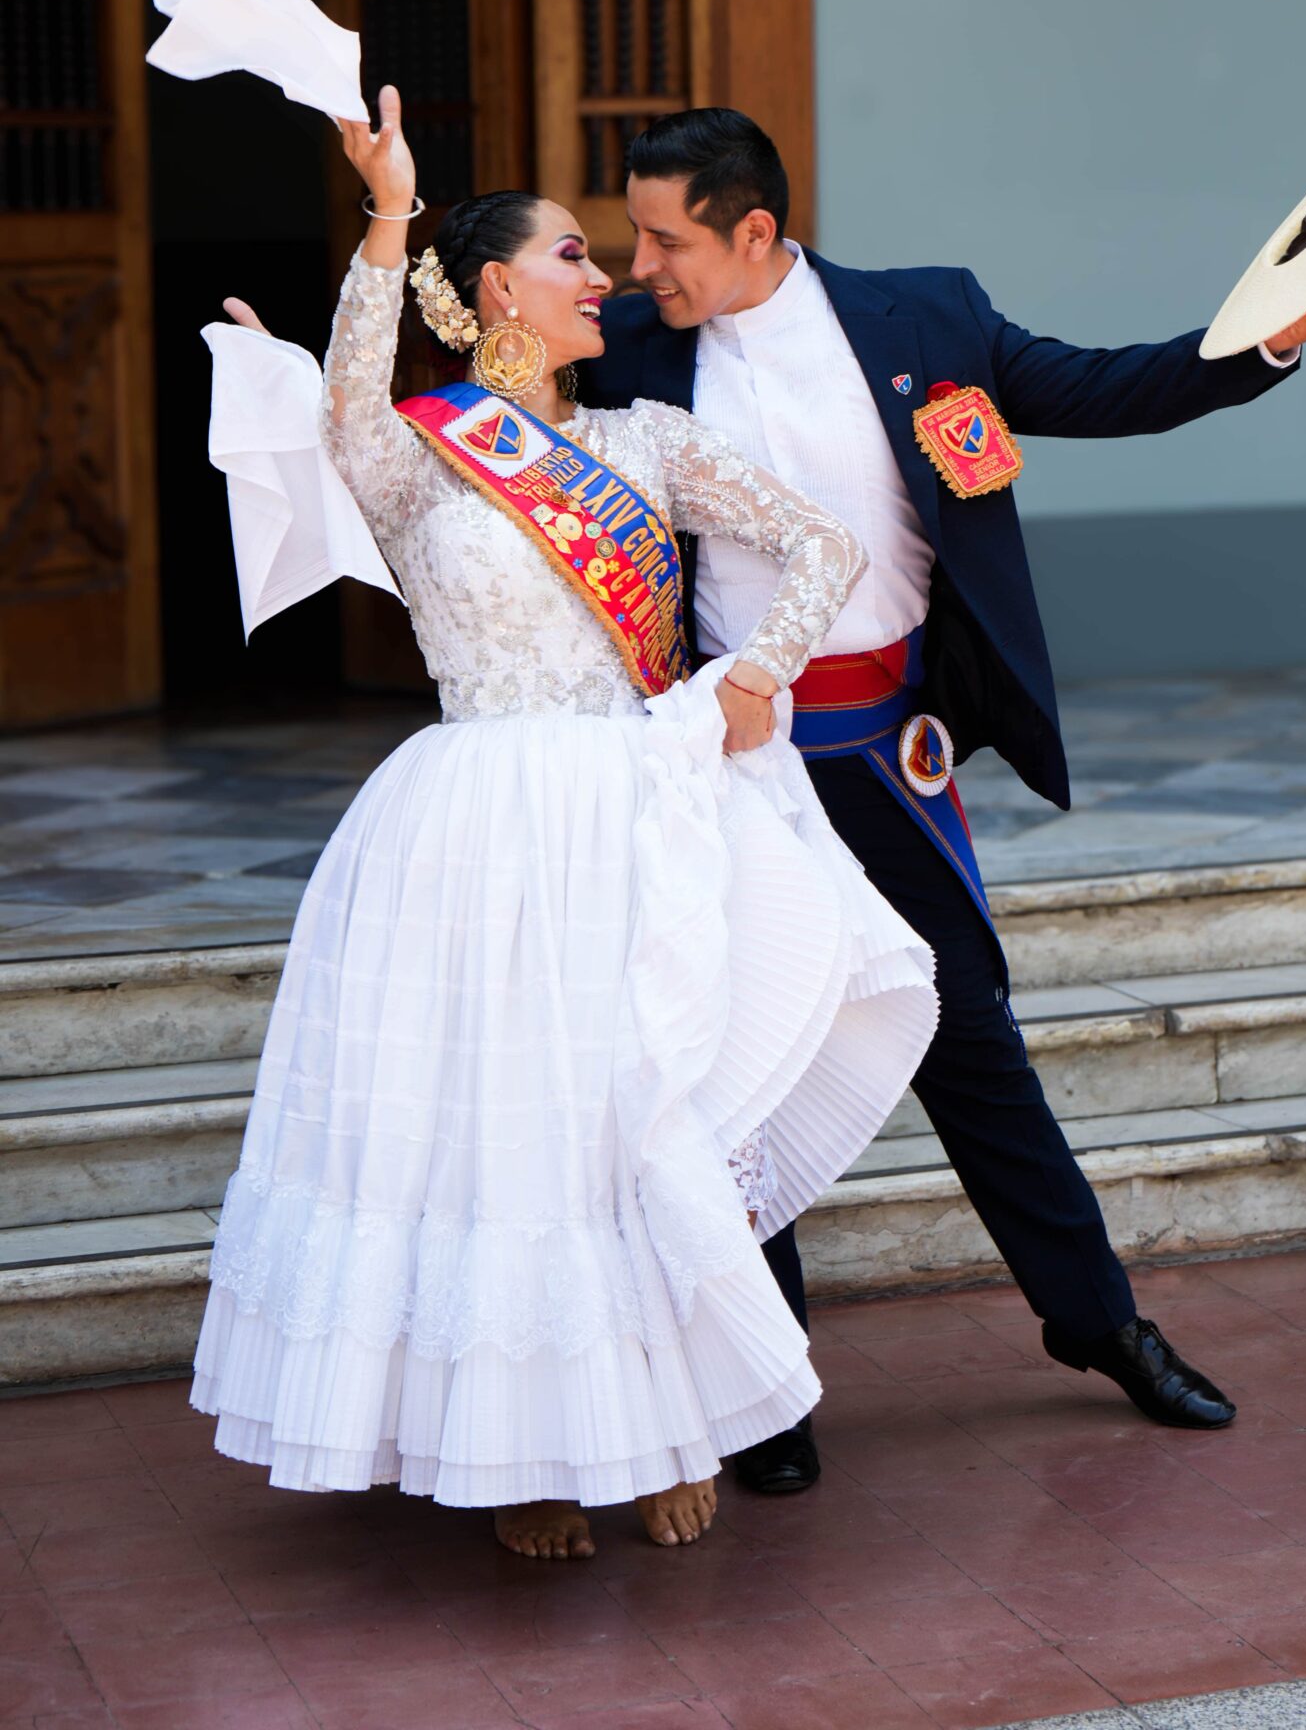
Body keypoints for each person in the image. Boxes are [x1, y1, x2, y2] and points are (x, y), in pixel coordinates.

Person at [191, 88, 937, 1559]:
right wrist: (387, 208)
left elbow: (825, 542)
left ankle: (652, 1426)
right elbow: (344, 416)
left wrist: (758, 677)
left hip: (634, 810)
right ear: (496, 295)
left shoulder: (650, 441)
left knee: (629, 1121)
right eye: (576, 258)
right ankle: (519, 1457)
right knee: (502, 1132)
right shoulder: (419, 451)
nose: (610, 281)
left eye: (608, 259)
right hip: (474, 825)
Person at [580, 106, 1306, 1494]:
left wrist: (1275, 337)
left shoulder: (925, 316)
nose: (641, 265)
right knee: (732, 1073)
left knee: (974, 1046)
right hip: (727, 764)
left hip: (883, 751)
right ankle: (770, 1387)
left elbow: (1111, 388)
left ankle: (1101, 1321)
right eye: (633, 236)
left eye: (665, 236)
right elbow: (497, 424)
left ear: (755, 230)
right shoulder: (631, 354)